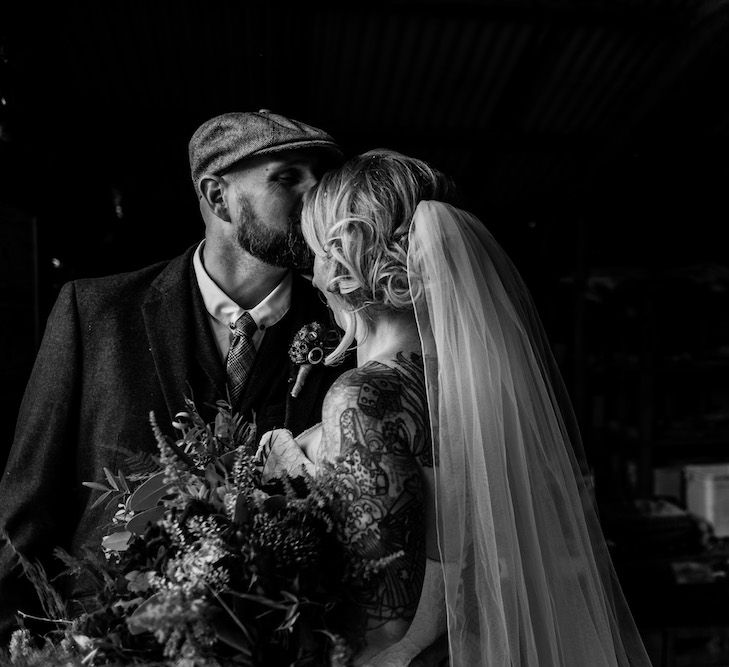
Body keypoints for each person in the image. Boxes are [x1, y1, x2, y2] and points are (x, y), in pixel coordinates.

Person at [258, 150, 652, 666]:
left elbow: (383, 630)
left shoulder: (366, 397)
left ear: (341, 262)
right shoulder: (483, 384)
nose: (312, 274)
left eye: (315, 252)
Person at [0, 110, 350, 640]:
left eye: (320, 179)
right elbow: (24, 514)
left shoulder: (348, 331)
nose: (316, 195)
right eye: (287, 177)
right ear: (216, 197)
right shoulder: (94, 312)